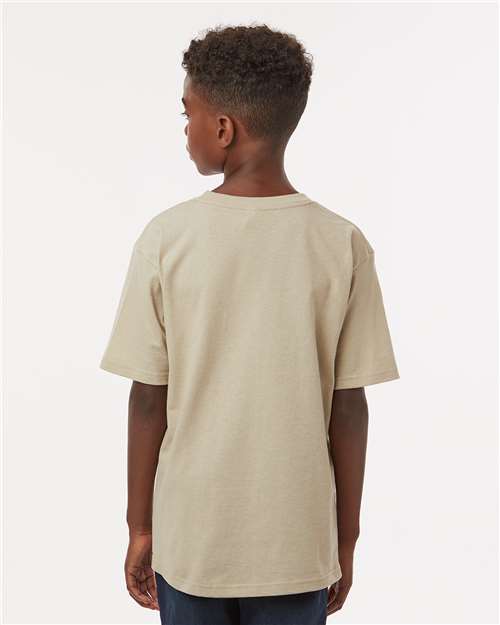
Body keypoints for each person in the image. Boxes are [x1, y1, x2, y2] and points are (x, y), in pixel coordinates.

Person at [99, 23, 400, 625]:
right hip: (298, 543)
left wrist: (140, 527)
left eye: (187, 113)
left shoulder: (167, 239)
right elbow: (349, 409)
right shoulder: (341, 244)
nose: (184, 129)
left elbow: (148, 398)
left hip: (192, 539)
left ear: (223, 128)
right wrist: (344, 540)